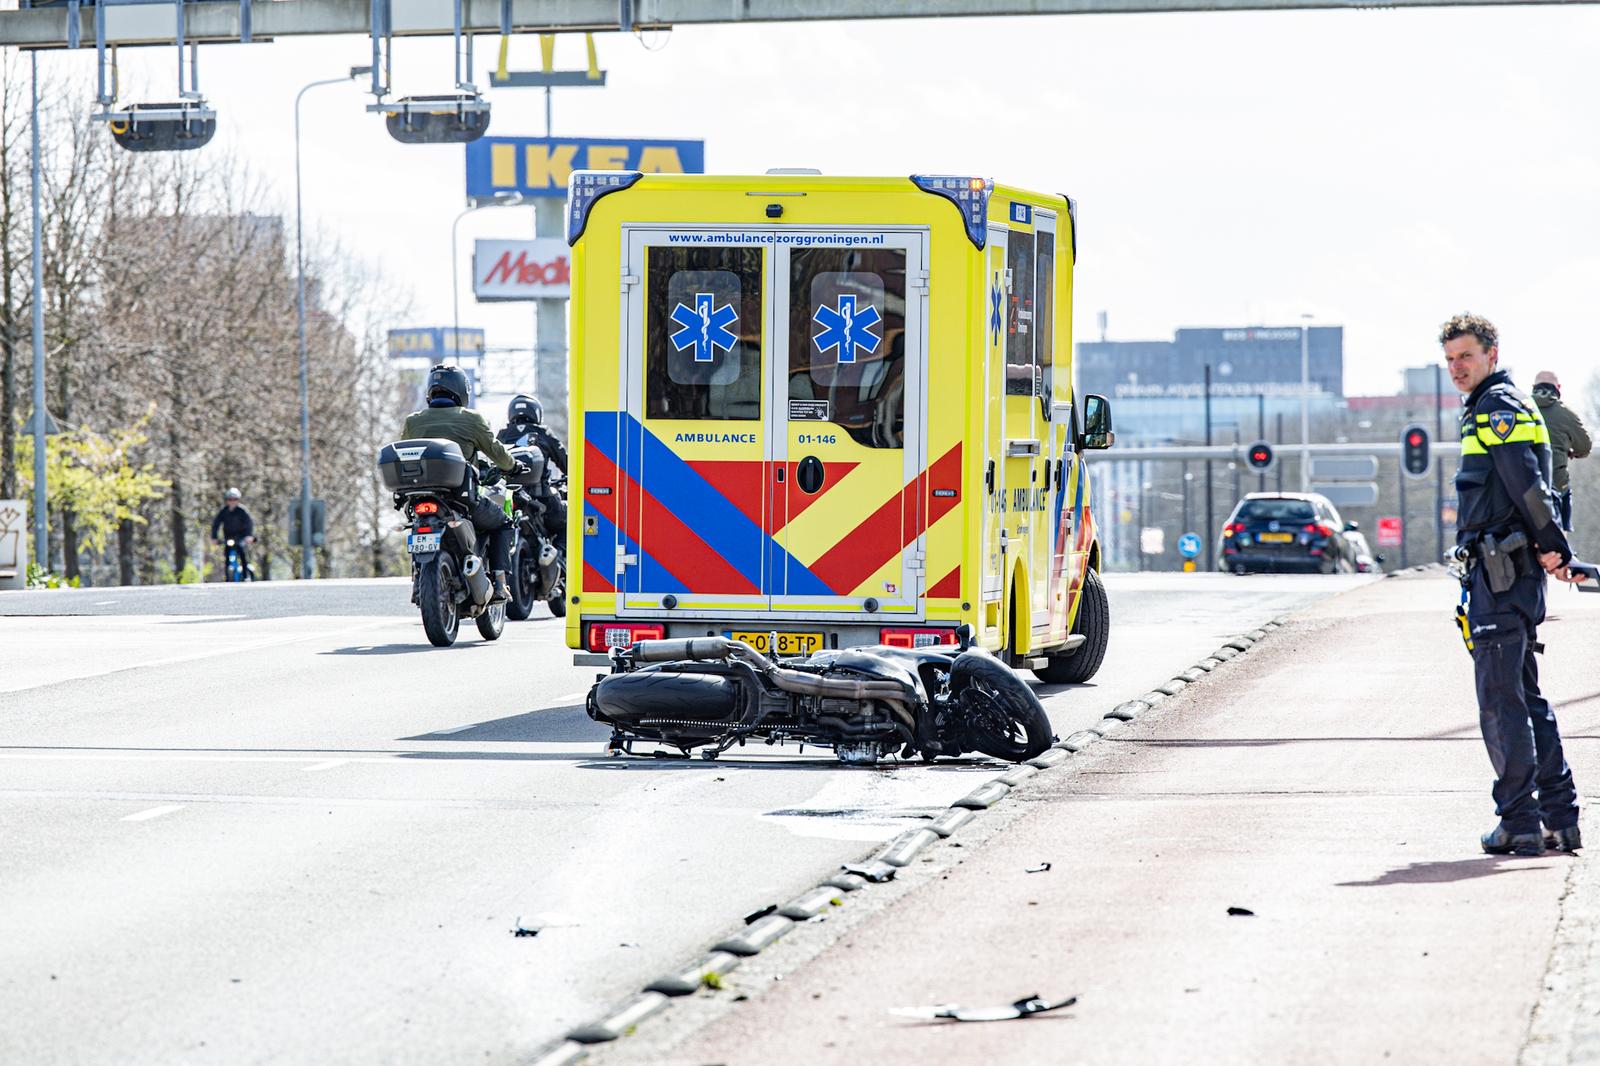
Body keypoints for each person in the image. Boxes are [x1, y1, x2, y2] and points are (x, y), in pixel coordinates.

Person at [1442, 313, 1588, 857]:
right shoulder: (1495, 404)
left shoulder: (1496, 407)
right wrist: (1550, 546)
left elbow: (1526, 484)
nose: (1458, 368)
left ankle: (1520, 821)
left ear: (1491, 355)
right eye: (1451, 360)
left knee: (1501, 701)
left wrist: (1554, 544)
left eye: (1467, 357)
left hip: (1501, 574)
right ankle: (1559, 817)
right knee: (1524, 696)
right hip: (1508, 571)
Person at [402, 364, 521, 602]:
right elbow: (497, 453)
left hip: (419, 497)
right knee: (503, 523)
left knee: (416, 527)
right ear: (461, 390)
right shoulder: (471, 419)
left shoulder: (413, 421)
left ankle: (417, 581)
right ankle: (499, 583)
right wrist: (513, 466)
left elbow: (406, 451)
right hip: (461, 499)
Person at [496, 393, 568, 544]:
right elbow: (565, 462)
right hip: (542, 497)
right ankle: (559, 554)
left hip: (508, 497)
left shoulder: (502, 435)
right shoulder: (543, 433)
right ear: (536, 413)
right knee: (565, 523)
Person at [1531, 371, 1591, 531]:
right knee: (1560, 541)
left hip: (1524, 487)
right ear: (1558, 388)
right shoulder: (1566, 414)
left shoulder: (1520, 410)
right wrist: (1570, 451)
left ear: (1533, 388)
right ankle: (1563, 538)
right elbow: (1585, 447)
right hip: (1556, 487)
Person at [210, 488, 255, 580]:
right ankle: (227, 577)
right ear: (227, 500)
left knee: (242, 554)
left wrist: (248, 536)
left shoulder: (242, 511)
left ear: (238, 500)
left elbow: (249, 523)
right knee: (227, 556)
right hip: (228, 537)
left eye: (235, 499)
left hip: (241, 537)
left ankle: (245, 575)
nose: (232, 501)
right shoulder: (223, 511)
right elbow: (216, 524)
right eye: (230, 499)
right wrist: (214, 537)